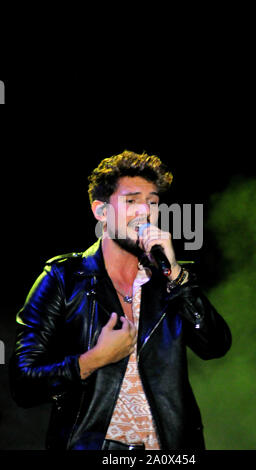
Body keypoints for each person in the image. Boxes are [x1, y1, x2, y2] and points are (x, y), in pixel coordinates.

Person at [9, 150, 232, 451]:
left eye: (152, 202)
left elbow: (216, 345)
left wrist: (176, 274)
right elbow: (23, 382)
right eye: (131, 201)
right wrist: (93, 360)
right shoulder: (63, 279)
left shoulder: (169, 280)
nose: (145, 212)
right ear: (101, 212)